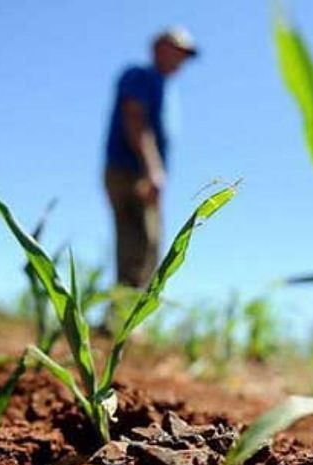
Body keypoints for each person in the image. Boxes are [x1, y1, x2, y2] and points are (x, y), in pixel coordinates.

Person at [104, 27, 198, 287]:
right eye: (178, 51)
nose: (182, 59)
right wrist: (152, 170)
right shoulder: (141, 76)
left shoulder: (163, 88)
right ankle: (123, 318)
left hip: (140, 172)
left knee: (147, 243)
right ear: (159, 48)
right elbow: (135, 121)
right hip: (130, 172)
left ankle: (126, 315)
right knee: (139, 241)